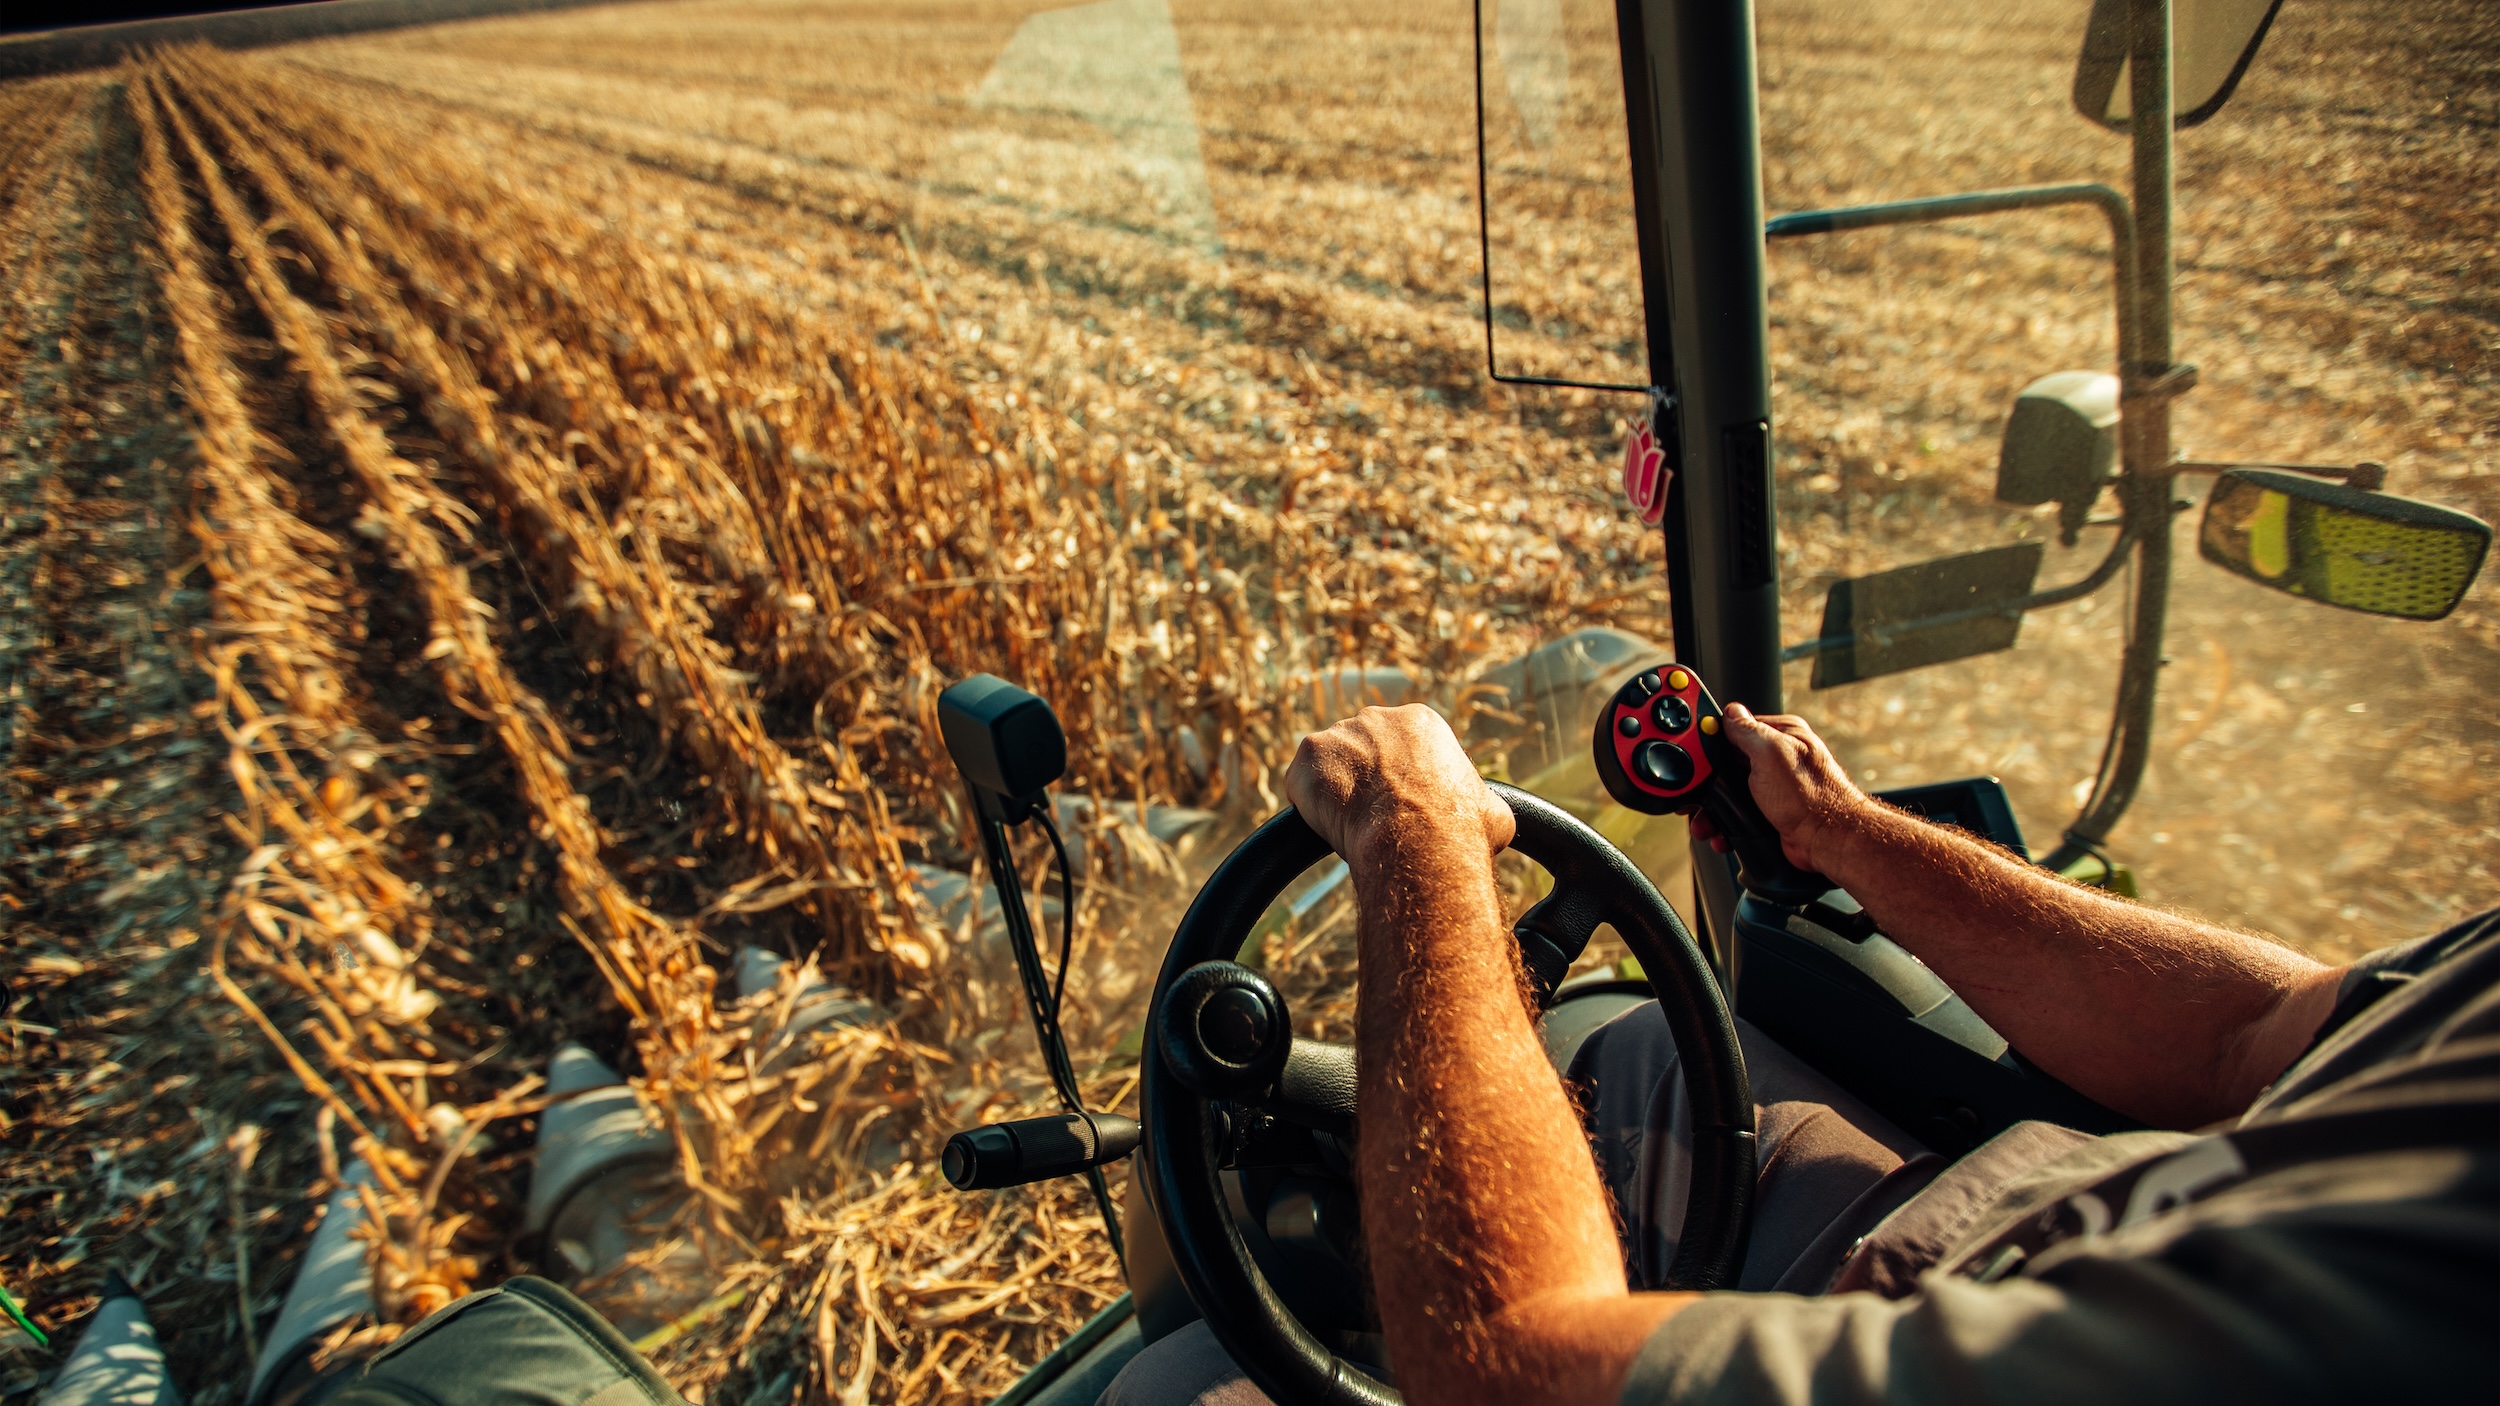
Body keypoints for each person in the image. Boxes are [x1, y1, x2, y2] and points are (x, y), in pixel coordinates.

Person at [1103, 702, 2497, 1405]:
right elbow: (2248, 1035)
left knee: (1175, 1392)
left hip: (1932, 1315)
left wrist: (1418, 850)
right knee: (1643, 1052)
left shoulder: (2383, 1315)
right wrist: (1843, 831)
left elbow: (1507, 1367)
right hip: (1996, 1204)